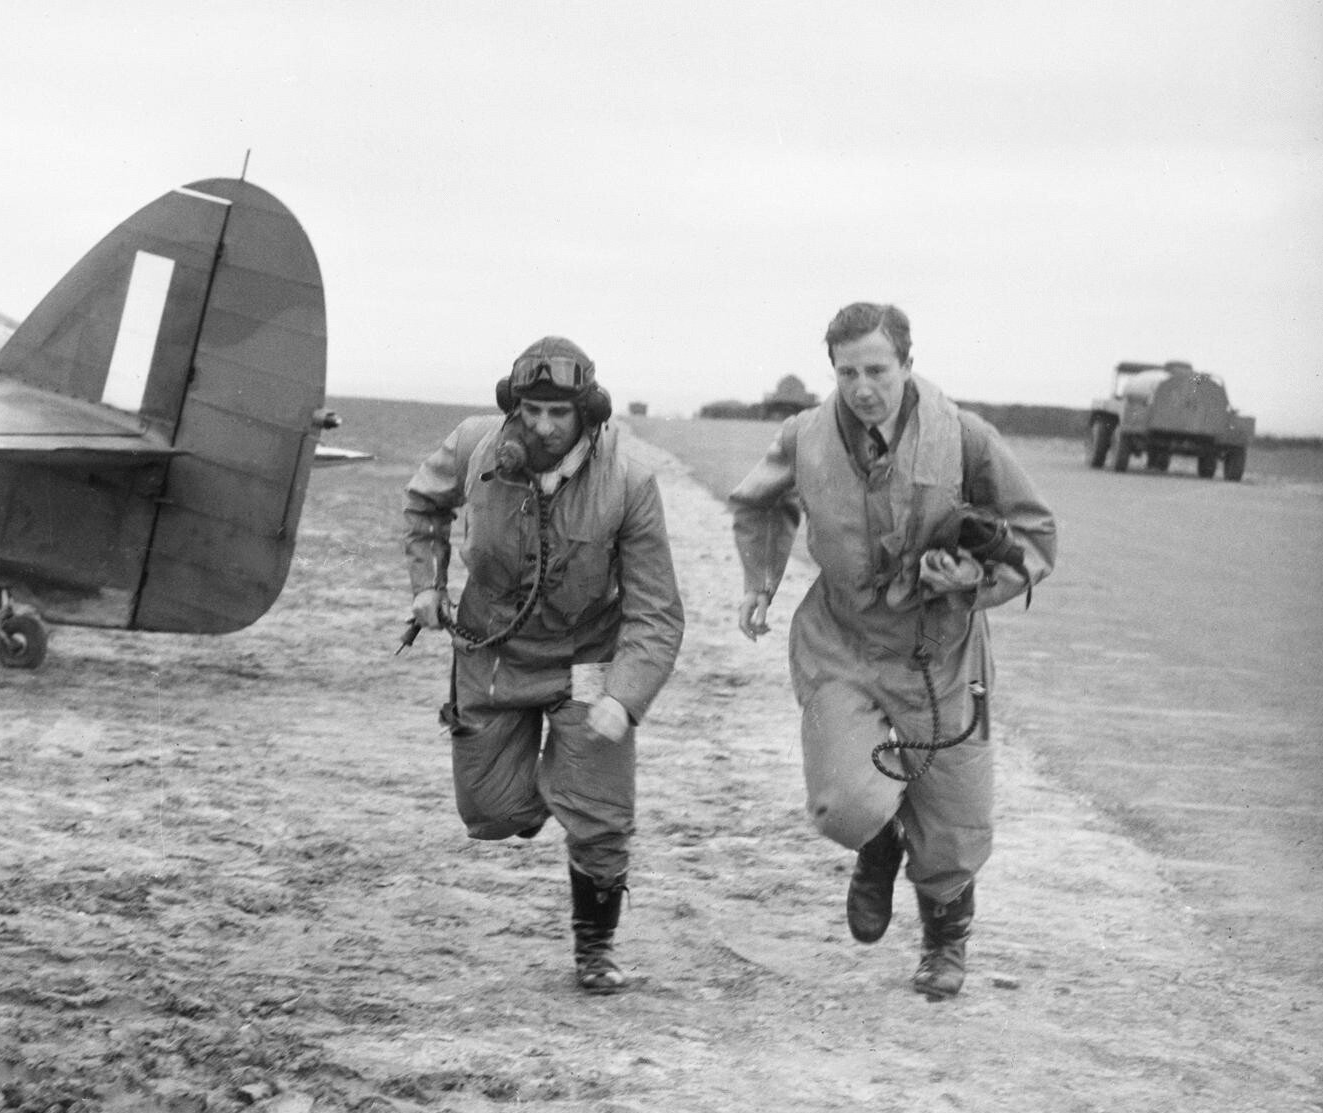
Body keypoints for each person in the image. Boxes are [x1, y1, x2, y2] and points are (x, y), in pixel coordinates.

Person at [728, 303, 1055, 998]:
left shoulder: (966, 437)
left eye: (875, 369)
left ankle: (942, 944)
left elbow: (1034, 538)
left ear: (906, 363)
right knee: (844, 801)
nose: (860, 387)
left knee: (955, 829)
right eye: (845, 372)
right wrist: (760, 582)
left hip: (939, 652)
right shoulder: (804, 436)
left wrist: (974, 577)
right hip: (841, 643)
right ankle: (876, 845)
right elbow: (758, 503)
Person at [403, 337, 685, 993]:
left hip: (586, 659)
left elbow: (657, 610)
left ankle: (594, 949)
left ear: (586, 412)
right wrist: (426, 584)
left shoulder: (630, 481)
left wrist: (625, 694)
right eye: (530, 410)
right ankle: (562, 790)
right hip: (494, 651)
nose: (543, 427)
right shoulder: (476, 446)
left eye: (559, 413)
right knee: (490, 812)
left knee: (600, 817)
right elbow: (422, 502)